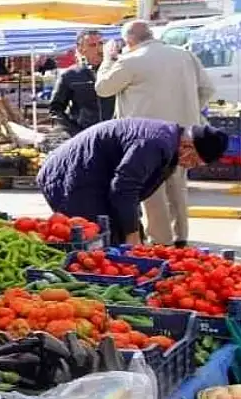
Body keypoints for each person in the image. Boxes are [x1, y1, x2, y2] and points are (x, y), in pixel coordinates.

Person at [95, 20, 215, 247]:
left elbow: (103, 88)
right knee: (178, 186)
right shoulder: (185, 56)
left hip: (147, 136)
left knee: (153, 189)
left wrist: (108, 58)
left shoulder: (129, 60)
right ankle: (181, 237)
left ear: (129, 41)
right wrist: (190, 110)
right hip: (184, 134)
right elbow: (207, 89)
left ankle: (161, 242)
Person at [37, 118, 228, 246]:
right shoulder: (155, 143)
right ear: (187, 146)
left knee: (116, 237)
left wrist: (134, 229)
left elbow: (131, 190)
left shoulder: (169, 143)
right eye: (194, 161)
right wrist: (132, 233)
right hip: (71, 177)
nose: (190, 166)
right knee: (95, 240)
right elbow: (124, 189)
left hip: (96, 177)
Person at [49, 30, 115, 136]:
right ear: (81, 49)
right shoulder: (69, 75)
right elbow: (55, 109)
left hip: (115, 133)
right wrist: (74, 131)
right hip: (85, 134)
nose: (99, 49)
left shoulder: (117, 70)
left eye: (101, 44)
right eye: (93, 45)